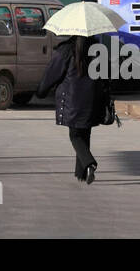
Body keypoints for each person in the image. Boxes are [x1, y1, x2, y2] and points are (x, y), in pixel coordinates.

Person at [36, 34, 109, 184]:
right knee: (85, 132)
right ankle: (81, 174)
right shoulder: (98, 49)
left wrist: (41, 91)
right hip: (92, 99)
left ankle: (89, 164)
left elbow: (52, 73)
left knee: (75, 135)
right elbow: (106, 76)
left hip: (72, 100)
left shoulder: (66, 50)